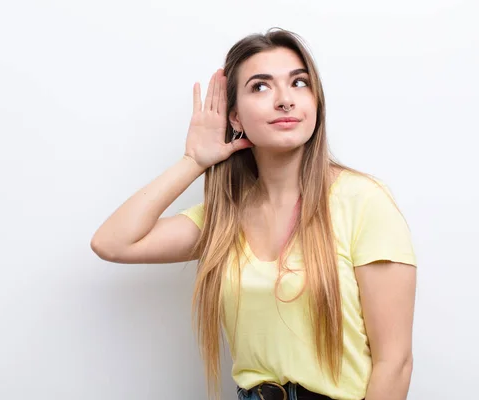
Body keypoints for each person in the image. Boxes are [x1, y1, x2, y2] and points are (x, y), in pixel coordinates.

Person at [90, 28, 417, 400]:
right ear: (235, 117)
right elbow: (112, 242)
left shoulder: (363, 201)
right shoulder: (225, 219)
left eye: (299, 83)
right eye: (261, 87)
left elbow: (395, 362)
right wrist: (193, 160)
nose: (285, 100)